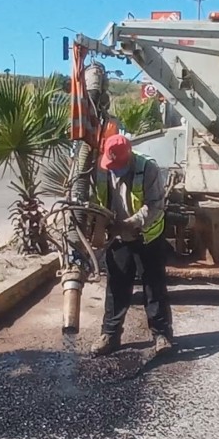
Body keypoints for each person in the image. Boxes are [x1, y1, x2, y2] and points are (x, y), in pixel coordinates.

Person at [90, 134, 174, 357]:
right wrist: (100, 227)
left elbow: (155, 205)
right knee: (117, 287)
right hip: (118, 239)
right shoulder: (101, 168)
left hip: (148, 236)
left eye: (118, 166)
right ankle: (110, 335)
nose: (114, 170)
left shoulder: (148, 169)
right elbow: (95, 201)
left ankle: (161, 335)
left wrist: (129, 224)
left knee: (153, 287)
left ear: (129, 158)